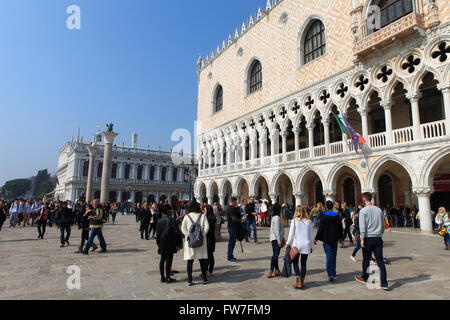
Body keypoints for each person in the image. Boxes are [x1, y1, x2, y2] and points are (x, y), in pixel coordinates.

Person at [355, 192, 389, 290]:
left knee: (366, 259)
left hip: (368, 238)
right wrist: (379, 233)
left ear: (364, 200)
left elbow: (362, 227)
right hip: (378, 238)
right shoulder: (379, 210)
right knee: (380, 261)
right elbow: (383, 225)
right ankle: (384, 283)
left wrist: (362, 239)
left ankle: (365, 277)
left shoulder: (363, 211)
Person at [181, 201, 210, 285]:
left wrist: (188, 236)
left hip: (190, 242)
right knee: (202, 260)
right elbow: (207, 227)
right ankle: (204, 278)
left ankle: (189, 280)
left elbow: (183, 228)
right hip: (200, 241)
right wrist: (202, 235)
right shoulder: (203, 216)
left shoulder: (187, 216)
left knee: (190, 261)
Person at [314, 200, 343, 282]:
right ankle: (333, 271)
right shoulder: (336, 216)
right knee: (333, 255)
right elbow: (340, 228)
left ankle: (330, 273)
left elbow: (321, 229)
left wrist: (316, 238)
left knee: (329, 256)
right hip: (334, 238)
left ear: (326, 206)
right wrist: (340, 237)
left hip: (326, 239)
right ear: (332, 206)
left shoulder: (323, 216)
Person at [286, 206, 313, 289]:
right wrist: (311, 246)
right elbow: (311, 236)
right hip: (306, 244)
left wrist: (287, 244)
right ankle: (302, 280)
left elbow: (291, 234)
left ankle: (298, 279)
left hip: (297, 244)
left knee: (295, 262)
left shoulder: (294, 221)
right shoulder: (308, 222)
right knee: (303, 263)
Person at [156, 205, 181, 283]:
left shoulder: (159, 221)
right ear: (168, 212)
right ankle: (168, 277)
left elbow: (158, 234)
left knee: (162, 259)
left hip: (162, 243)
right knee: (169, 260)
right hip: (170, 242)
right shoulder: (171, 220)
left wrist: (159, 243)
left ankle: (162, 277)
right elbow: (176, 232)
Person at [267, 200, 284, 278]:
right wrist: (279, 241)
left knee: (276, 255)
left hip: (274, 238)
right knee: (275, 255)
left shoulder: (274, 217)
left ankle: (277, 270)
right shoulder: (277, 218)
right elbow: (277, 230)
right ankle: (271, 270)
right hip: (276, 239)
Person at [226, 197, 242, 263]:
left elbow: (238, 214)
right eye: (235, 202)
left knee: (232, 242)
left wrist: (237, 208)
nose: (236, 203)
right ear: (232, 202)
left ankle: (230, 255)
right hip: (232, 227)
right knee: (231, 242)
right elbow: (234, 219)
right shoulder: (230, 209)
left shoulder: (232, 208)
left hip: (233, 227)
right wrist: (241, 220)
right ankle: (230, 257)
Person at [203, 204, 217, 276]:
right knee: (209, 255)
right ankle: (208, 270)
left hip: (209, 239)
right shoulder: (210, 218)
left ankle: (209, 271)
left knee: (209, 255)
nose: (204, 211)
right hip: (210, 239)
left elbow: (208, 230)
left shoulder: (209, 219)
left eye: (205, 210)